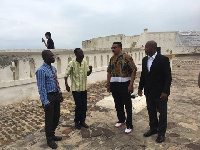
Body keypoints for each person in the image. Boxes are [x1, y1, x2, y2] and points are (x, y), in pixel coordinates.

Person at [138, 41, 172, 143]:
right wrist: (140, 88)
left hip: (160, 93)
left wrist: (165, 91)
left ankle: (161, 133)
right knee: (151, 111)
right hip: (149, 92)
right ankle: (153, 128)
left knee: (162, 114)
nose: (144, 49)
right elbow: (143, 75)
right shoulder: (145, 60)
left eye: (146, 47)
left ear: (152, 48)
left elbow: (168, 77)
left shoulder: (163, 60)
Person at [36, 50, 63, 149]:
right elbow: (41, 87)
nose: (53, 57)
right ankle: (49, 139)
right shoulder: (41, 71)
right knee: (49, 119)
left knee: (56, 117)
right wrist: (45, 101)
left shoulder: (53, 69)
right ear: (45, 57)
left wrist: (60, 93)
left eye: (53, 55)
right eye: (51, 56)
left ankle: (52, 134)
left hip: (56, 95)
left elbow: (56, 82)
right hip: (49, 97)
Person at [107, 42, 136, 134]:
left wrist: (130, 85)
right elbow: (109, 72)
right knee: (117, 103)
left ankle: (129, 125)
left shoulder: (127, 57)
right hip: (114, 84)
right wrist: (108, 84)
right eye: (112, 47)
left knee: (127, 105)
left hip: (125, 84)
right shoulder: (112, 59)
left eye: (114, 47)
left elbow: (133, 71)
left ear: (120, 47)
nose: (113, 49)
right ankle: (121, 120)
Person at [64, 48, 92, 130]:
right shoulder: (72, 63)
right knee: (79, 105)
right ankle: (76, 122)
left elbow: (87, 74)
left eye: (82, 53)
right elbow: (66, 74)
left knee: (84, 106)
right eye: (80, 53)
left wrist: (91, 70)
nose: (82, 55)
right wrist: (66, 84)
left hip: (84, 88)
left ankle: (82, 121)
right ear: (76, 54)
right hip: (76, 89)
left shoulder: (85, 62)